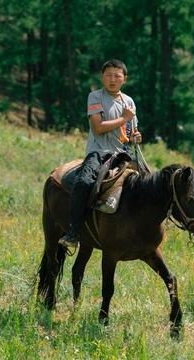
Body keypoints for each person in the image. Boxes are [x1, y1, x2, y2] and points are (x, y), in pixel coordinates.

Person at [58, 59, 142, 251]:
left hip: (124, 154)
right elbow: (98, 128)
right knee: (84, 183)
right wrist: (124, 118)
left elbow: (131, 132)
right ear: (102, 77)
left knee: (151, 183)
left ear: (124, 79)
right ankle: (74, 232)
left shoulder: (129, 101)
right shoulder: (95, 97)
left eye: (117, 76)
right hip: (99, 153)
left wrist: (136, 136)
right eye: (108, 75)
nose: (113, 79)